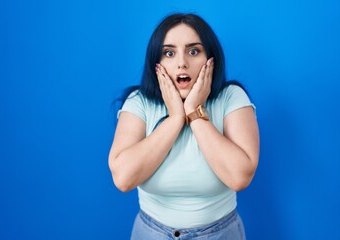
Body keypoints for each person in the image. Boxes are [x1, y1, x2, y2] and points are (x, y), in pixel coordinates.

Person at [108, 13, 259, 240]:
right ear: (156, 63)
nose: (182, 63)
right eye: (169, 53)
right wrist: (176, 118)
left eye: (194, 51)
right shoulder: (139, 102)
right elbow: (123, 179)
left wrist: (194, 113)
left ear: (211, 59)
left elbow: (240, 177)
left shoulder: (232, 98)